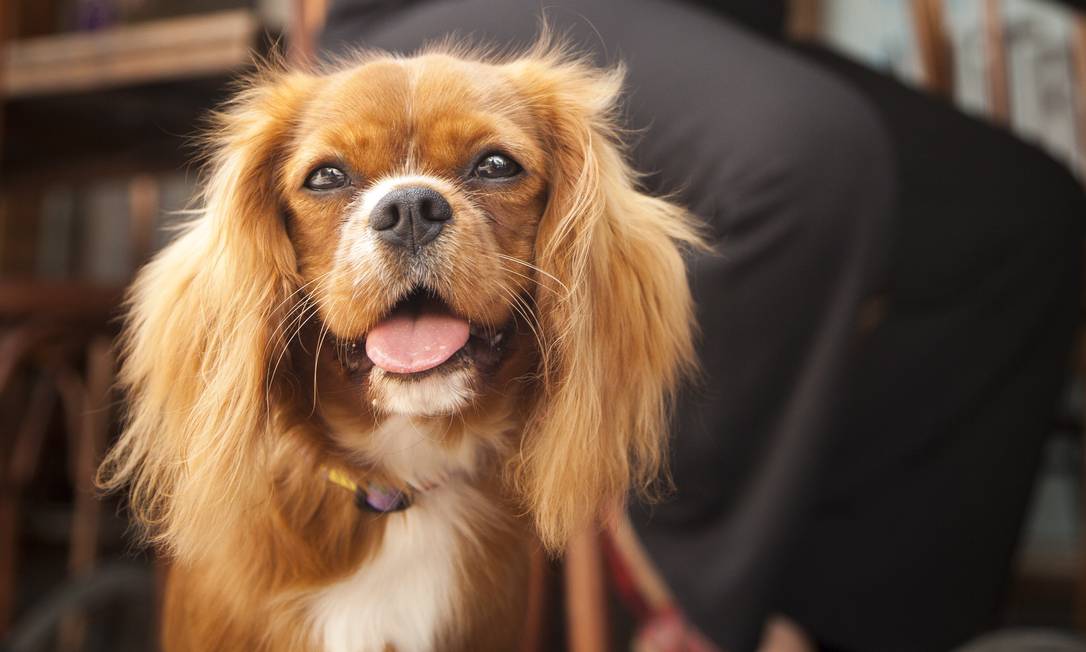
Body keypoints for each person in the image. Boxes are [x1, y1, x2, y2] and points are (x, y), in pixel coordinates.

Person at [319, 2, 1086, 650]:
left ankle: (848, 620)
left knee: (1023, 216)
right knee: (799, 160)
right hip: (468, 11)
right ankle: (675, 580)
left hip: (717, 26)